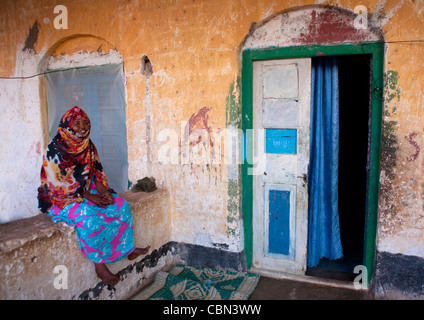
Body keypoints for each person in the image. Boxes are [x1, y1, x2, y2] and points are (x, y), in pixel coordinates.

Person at [38, 106, 150, 285]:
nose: (82, 127)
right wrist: (90, 197)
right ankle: (100, 266)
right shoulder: (55, 149)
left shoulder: (87, 145)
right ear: (67, 125)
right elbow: (57, 186)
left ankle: (127, 250)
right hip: (59, 200)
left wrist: (104, 193)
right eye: (76, 123)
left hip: (86, 192)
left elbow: (96, 173)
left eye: (85, 123)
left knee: (120, 205)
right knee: (89, 216)